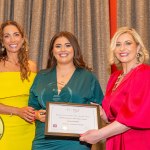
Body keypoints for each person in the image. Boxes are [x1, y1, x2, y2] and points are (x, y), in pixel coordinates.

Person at [28, 31, 104, 150]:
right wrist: (37, 115)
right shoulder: (41, 76)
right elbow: (31, 108)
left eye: (68, 45)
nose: (63, 49)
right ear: (52, 51)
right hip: (43, 142)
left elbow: (101, 110)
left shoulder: (88, 77)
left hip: (77, 143)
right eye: (58, 46)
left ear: (75, 49)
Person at [79, 27, 150, 150]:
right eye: (118, 44)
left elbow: (131, 118)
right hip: (115, 139)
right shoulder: (115, 77)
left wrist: (99, 135)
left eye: (128, 43)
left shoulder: (144, 73)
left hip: (136, 141)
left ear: (138, 48)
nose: (122, 48)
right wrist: (101, 112)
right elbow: (112, 118)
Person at [0, 20, 37, 150]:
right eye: (7, 36)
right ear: (2, 42)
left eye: (16, 34)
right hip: (4, 129)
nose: (12, 40)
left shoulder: (32, 66)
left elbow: (37, 99)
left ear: (22, 39)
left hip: (29, 129)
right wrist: (17, 111)